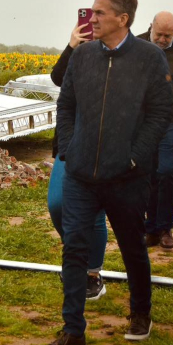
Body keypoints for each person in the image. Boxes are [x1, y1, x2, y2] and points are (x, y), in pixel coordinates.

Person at [37, 0, 173, 345]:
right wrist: (68, 147)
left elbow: (161, 113)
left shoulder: (149, 58)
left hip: (127, 177)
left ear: (122, 18)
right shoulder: (82, 57)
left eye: (99, 13)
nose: (91, 18)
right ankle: (73, 332)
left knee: (132, 247)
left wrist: (134, 157)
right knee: (74, 248)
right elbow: (66, 106)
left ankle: (140, 314)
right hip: (81, 173)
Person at [47, 23, 109, 301]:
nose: (94, 22)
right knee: (58, 203)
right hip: (70, 140)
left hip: (103, 143)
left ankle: (92, 274)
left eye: (100, 15)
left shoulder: (122, 56)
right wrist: (73, 45)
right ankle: (75, 251)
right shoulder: (80, 51)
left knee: (94, 212)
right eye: (91, 16)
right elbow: (58, 77)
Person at [137, 11, 173, 249]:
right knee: (146, 174)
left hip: (171, 122)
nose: (162, 39)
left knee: (167, 171)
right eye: (159, 34)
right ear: (150, 28)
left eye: (168, 35)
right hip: (141, 122)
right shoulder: (136, 44)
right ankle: (149, 228)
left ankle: (164, 226)